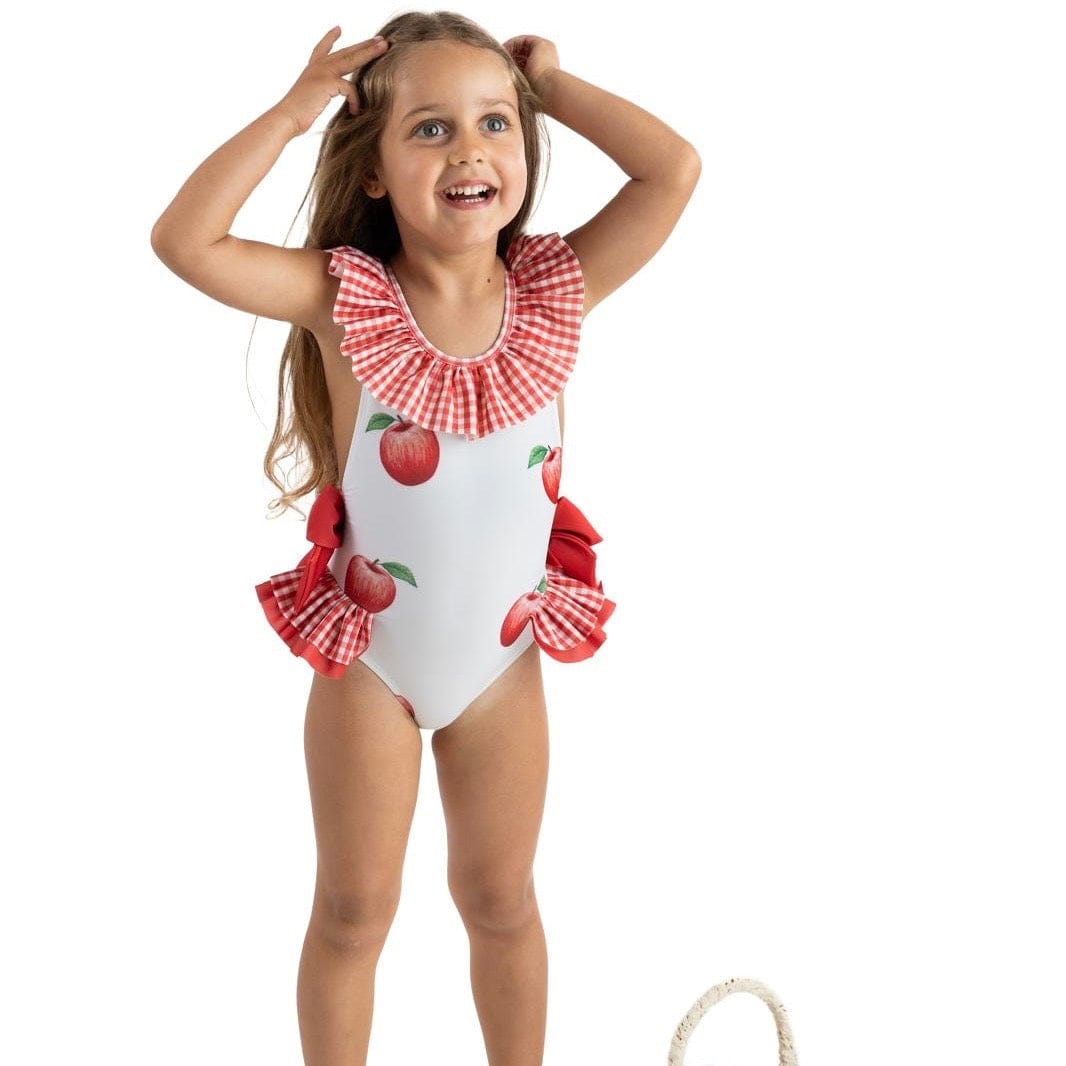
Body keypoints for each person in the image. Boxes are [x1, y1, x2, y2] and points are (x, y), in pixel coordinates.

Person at [150, 11, 699, 1066]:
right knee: (353, 911)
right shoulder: (343, 299)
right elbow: (186, 241)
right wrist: (296, 109)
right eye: (431, 129)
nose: (471, 150)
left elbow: (672, 170)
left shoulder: (555, 289)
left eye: (496, 124)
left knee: (502, 900)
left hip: (501, 663)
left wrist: (552, 87)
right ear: (373, 170)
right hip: (377, 668)